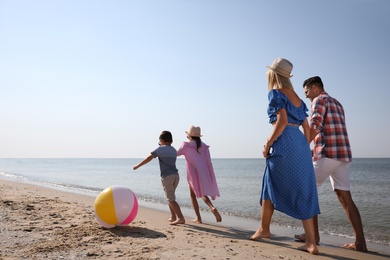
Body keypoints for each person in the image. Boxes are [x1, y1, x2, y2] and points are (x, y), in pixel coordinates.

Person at [249, 58, 320, 255]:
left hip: (284, 141)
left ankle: (265, 230)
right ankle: (310, 242)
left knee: (276, 183)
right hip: (299, 143)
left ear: (274, 74)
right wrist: (303, 149)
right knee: (292, 187)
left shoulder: (275, 93)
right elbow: (307, 128)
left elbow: (282, 120)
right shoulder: (296, 96)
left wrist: (268, 143)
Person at [295, 76, 368, 252]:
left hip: (327, 154)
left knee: (306, 191)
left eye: (306, 92)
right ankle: (360, 243)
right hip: (343, 156)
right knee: (346, 199)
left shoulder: (319, 100)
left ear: (314, 87)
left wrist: (302, 147)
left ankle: (313, 237)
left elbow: (315, 126)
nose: (306, 96)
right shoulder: (337, 103)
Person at [133, 130, 185, 225]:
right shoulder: (173, 150)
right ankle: (173, 216)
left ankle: (180, 218)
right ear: (171, 141)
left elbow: (149, 158)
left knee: (171, 198)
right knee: (170, 196)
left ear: (161, 140)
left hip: (167, 176)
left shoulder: (160, 149)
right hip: (176, 176)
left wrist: (137, 165)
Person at [177, 125, 222, 223]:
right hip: (204, 170)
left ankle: (200, 216)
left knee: (194, 194)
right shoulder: (204, 146)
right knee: (202, 192)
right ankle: (210, 208)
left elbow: (176, 154)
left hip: (192, 172)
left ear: (189, 135)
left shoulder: (186, 145)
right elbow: (208, 161)